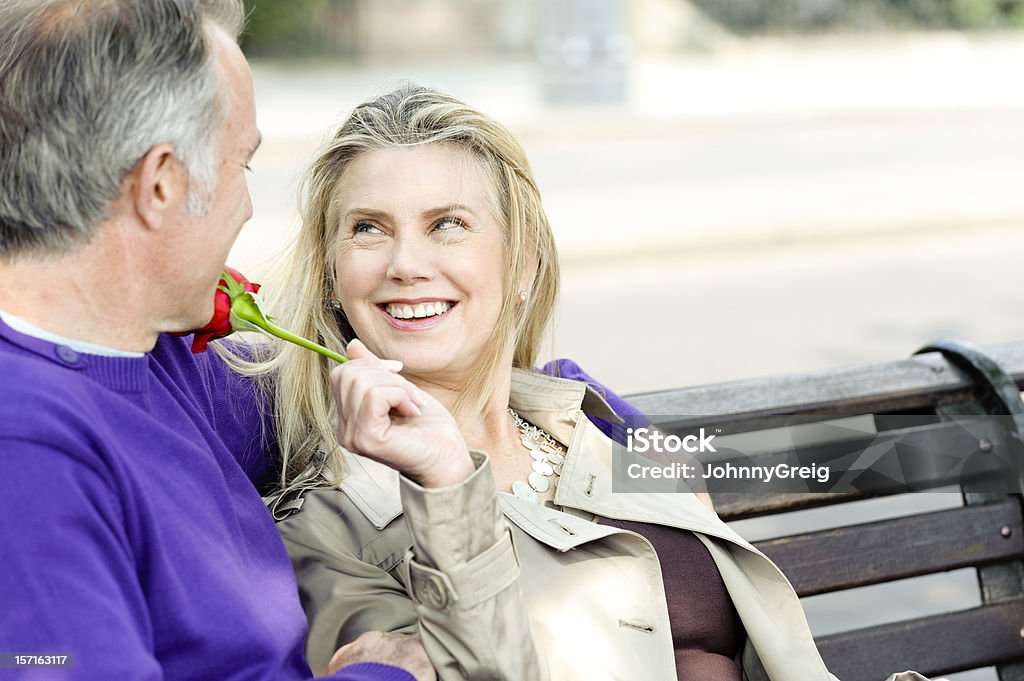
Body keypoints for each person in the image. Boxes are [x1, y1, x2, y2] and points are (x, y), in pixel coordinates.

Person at [228, 83, 932, 681]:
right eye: (369, 229)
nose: (407, 263)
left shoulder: (579, 422)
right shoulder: (324, 532)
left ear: (525, 262)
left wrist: (644, 462)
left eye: (447, 224)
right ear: (333, 273)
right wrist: (445, 482)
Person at [0, 2, 429, 679]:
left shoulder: (146, 348)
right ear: (161, 184)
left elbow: (314, 389)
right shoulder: (25, 453)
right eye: (243, 167)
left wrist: (554, 400)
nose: (249, 205)